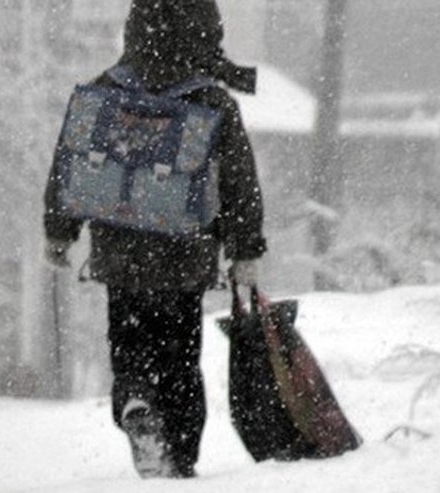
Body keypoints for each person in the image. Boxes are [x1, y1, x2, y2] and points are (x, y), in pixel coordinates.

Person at [43, 0, 266, 479]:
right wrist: (245, 251)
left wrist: (59, 232)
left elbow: (70, 160)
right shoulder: (211, 100)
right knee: (180, 353)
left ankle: (137, 400)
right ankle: (179, 458)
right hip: (184, 255)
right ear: (208, 32)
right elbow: (238, 184)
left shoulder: (106, 89)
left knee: (129, 343)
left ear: (134, 28)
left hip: (119, 252)